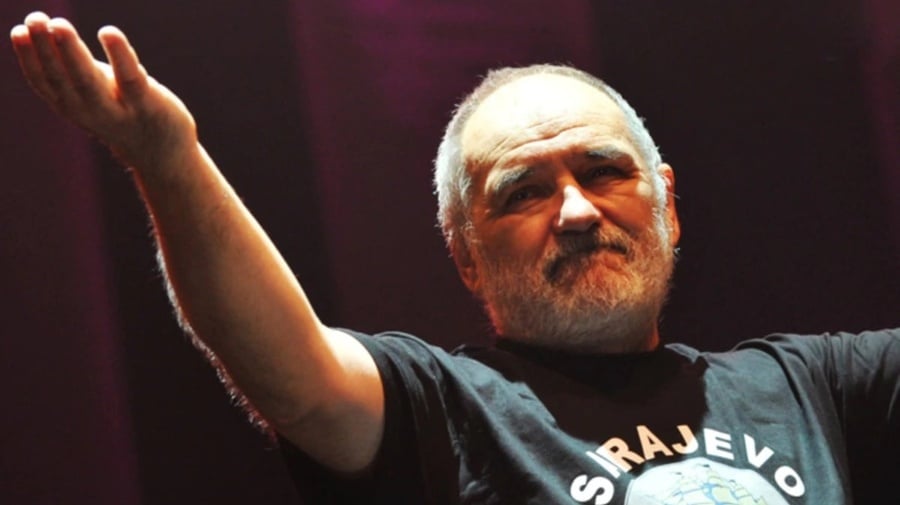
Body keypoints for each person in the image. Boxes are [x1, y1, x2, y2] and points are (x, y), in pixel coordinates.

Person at [11, 11, 898, 505]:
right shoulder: (445, 407)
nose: (577, 211)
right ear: (466, 257)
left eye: (603, 171)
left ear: (668, 204)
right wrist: (167, 160)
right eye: (524, 191)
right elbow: (295, 375)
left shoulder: (815, 388)